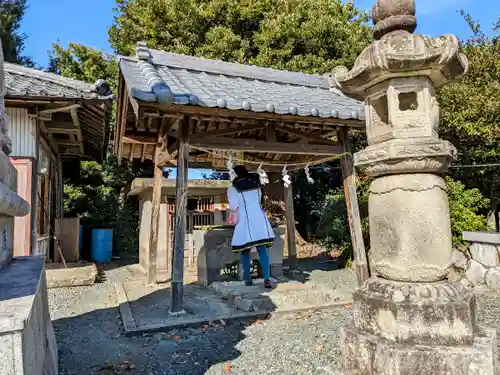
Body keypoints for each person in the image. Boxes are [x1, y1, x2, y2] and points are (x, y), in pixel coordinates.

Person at [227, 165, 275, 288]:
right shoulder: (256, 184)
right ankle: (267, 279)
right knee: (262, 249)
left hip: (245, 220)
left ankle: (248, 279)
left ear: (235, 174)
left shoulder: (233, 188)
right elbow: (259, 201)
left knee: (245, 250)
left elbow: (233, 206)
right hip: (259, 218)